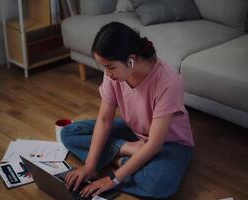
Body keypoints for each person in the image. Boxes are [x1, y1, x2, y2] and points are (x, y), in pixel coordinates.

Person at [61, 22, 194, 199]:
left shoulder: (168, 82)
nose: (107, 74)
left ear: (130, 61)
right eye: (104, 67)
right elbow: (104, 120)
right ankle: (126, 149)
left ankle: (118, 160)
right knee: (69, 132)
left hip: (169, 143)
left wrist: (113, 179)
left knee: (159, 184)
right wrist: (90, 167)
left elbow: (154, 144)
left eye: (110, 67)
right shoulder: (114, 74)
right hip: (135, 133)